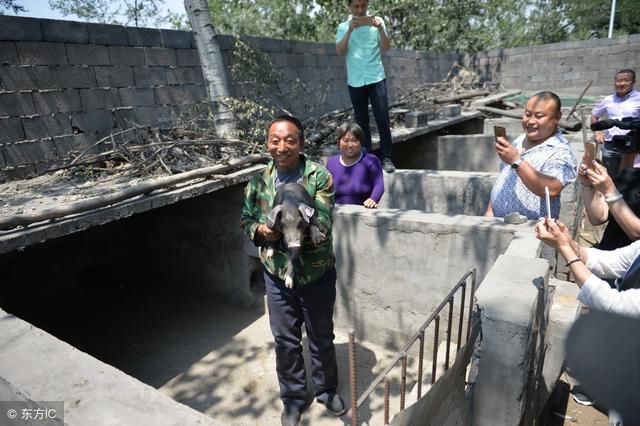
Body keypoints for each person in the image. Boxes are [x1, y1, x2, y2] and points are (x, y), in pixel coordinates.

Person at [240, 116, 346, 426]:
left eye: (289, 140)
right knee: (286, 342)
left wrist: (293, 225)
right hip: (276, 275)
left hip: (316, 274)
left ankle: (326, 391)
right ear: (267, 143)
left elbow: (323, 223)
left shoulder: (319, 176)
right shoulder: (258, 182)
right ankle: (294, 399)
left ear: (300, 143)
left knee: (321, 336)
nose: (282, 147)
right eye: (275, 140)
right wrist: (262, 229)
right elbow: (246, 221)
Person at [485, 91, 577, 220]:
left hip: (534, 233)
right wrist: (490, 212)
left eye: (539, 116)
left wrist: (516, 161)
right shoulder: (519, 140)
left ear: (557, 117)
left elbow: (551, 189)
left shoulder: (560, 152)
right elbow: (503, 176)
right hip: (498, 225)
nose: (530, 121)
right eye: (527, 114)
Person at [336, 0, 396, 174]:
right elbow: (340, 51)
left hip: (376, 77)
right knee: (361, 122)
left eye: (363, 5)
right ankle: (366, 158)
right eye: (356, 6)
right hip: (355, 80)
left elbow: (386, 47)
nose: (360, 10)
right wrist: (349, 31)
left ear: (367, 3)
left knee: (382, 118)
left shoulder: (378, 22)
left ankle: (387, 157)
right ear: (349, 6)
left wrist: (380, 29)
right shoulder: (342, 26)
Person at [580, 160, 640, 251]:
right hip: (607, 254)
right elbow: (599, 218)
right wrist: (588, 185)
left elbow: (636, 233)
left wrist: (610, 191)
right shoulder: (628, 175)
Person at [591, 69, 640, 177]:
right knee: (609, 177)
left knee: (628, 178)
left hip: (631, 145)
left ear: (633, 82)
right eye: (618, 81)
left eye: (626, 80)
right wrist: (598, 132)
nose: (622, 83)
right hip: (610, 145)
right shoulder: (608, 99)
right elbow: (595, 116)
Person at [326, 122, 384, 208]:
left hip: (363, 211)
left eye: (354, 140)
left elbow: (379, 184)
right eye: (345, 140)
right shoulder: (331, 163)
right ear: (339, 142)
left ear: (361, 142)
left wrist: (373, 199)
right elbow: (324, 189)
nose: (350, 145)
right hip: (336, 212)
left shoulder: (371, 161)